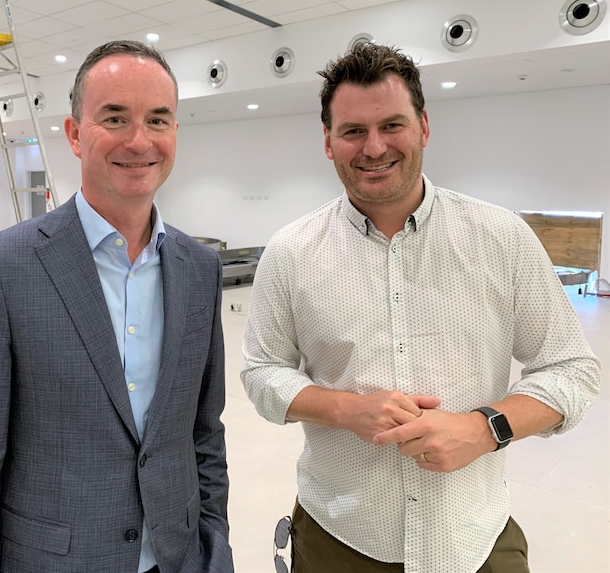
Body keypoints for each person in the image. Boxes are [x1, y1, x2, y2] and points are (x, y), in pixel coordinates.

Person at [241, 43, 601, 573]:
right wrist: (345, 408)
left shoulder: (502, 238)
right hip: (342, 534)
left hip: (473, 535)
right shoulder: (291, 252)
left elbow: (573, 370)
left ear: (424, 127)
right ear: (328, 142)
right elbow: (260, 372)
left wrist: (485, 428)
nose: (374, 147)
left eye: (392, 125)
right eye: (353, 131)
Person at [0, 40, 233, 573]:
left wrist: (216, 549)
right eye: (115, 118)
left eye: (158, 120)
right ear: (75, 134)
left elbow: (204, 432)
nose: (139, 140)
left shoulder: (198, 268)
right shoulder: (0, 269)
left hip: (179, 557)